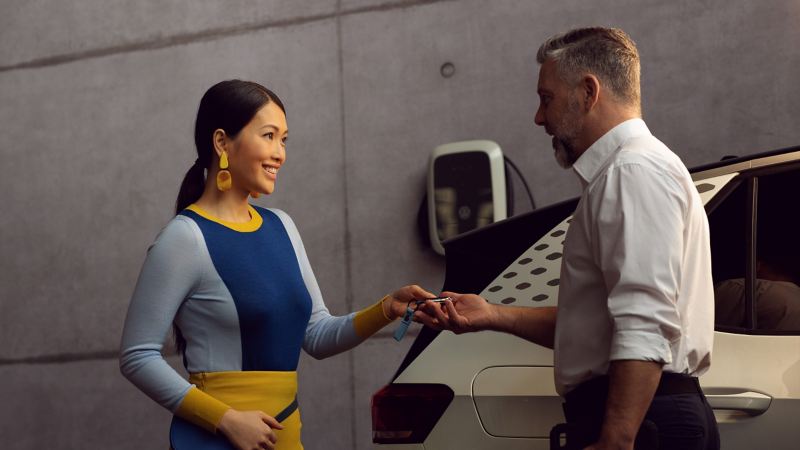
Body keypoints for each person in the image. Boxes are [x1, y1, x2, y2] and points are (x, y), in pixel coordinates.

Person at [416, 28, 720, 450]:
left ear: (588, 92)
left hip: (642, 423)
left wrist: (617, 437)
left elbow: (645, 317)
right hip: (647, 417)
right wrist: (492, 314)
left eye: (547, 98)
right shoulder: (631, 171)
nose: (539, 118)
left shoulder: (631, 172)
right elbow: (605, 320)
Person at [119, 80, 434, 450]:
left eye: (284, 140)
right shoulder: (184, 238)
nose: (280, 153)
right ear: (222, 143)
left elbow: (316, 335)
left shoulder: (282, 226)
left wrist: (387, 309)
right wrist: (226, 420)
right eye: (269, 136)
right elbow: (137, 355)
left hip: (284, 436)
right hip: (215, 440)